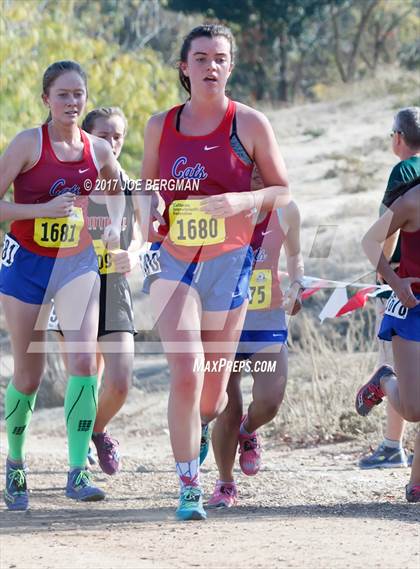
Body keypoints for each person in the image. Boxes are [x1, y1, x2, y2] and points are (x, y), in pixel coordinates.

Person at [139, 24, 290, 520]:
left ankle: (202, 426)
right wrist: (150, 202)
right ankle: (189, 486)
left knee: (212, 391)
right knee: (186, 372)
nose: (211, 67)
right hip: (174, 260)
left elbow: (281, 191)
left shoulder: (248, 123)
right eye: (200, 58)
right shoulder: (160, 125)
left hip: (230, 261)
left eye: (219, 58)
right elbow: (146, 186)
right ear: (184, 67)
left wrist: (241, 200)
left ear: (230, 65)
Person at [0, 60, 123, 510]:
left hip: (76, 263)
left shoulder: (99, 151)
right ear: (46, 99)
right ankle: (14, 464)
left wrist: (111, 227)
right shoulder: (28, 144)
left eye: (79, 95)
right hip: (26, 264)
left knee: (84, 364)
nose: (72, 103)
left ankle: (77, 471)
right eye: (63, 95)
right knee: (29, 375)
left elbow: (116, 198)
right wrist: (41, 210)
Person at [48, 106, 141, 475]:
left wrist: (131, 255)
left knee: (119, 381)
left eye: (118, 136)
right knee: (85, 375)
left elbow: (141, 240)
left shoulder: (129, 187)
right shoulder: (70, 182)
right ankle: (78, 460)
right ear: (88, 138)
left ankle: (97, 432)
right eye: (104, 135)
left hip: (114, 290)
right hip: (72, 288)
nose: (112, 142)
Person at [208, 181, 303, 507]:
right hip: (225, 321)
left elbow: (295, 255)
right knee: (227, 408)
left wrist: (297, 286)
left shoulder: (286, 210)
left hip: (267, 321)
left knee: (270, 400)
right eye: (252, 167)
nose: (258, 176)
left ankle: (249, 431)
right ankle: (225, 483)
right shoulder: (221, 207)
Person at [359, 107, 420, 469]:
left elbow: (386, 231)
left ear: (398, 137)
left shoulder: (403, 168)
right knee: (401, 368)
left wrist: (384, 279)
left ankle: (391, 446)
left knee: (392, 362)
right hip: (407, 285)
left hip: (400, 280)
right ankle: (392, 444)